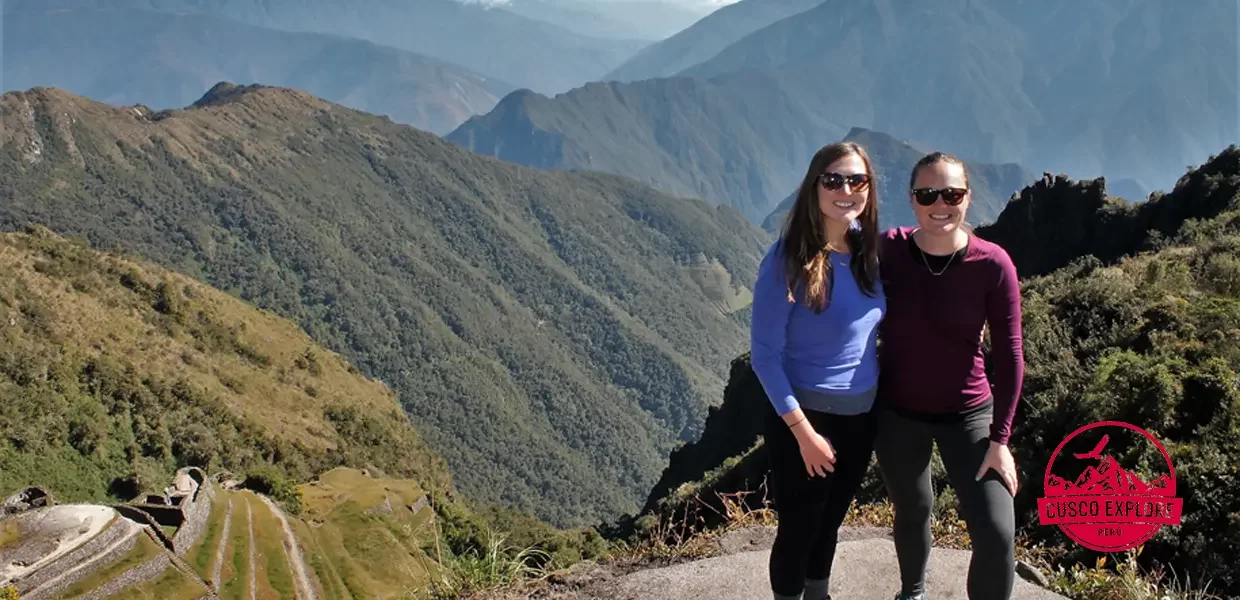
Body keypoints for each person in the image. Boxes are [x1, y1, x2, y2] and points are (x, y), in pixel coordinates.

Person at [873, 151, 1025, 600]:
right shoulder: (887, 251)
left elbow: (1012, 355)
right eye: (927, 193)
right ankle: (912, 593)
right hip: (897, 412)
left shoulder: (992, 264)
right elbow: (830, 249)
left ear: (968, 198)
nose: (941, 203)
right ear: (912, 199)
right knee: (913, 508)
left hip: (970, 413)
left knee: (997, 532)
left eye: (952, 193)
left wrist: (1001, 441)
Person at [750, 141, 887, 600]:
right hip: (806, 420)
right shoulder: (787, 260)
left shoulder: (869, 251)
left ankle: (820, 594)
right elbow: (764, 356)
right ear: (814, 187)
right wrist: (804, 434)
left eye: (857, 180)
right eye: (833, 180)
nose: (845, 190)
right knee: (798, 530)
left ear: (869, 188)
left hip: (860, 417)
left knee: (830, 522)